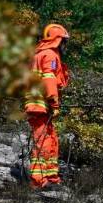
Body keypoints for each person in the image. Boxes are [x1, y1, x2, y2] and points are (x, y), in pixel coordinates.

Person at [23, 23, 70, 189]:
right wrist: (54, 103)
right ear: (57, 40)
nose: (65, 46)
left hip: (39, 105)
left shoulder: (39, 54)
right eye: (64, 42)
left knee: (50, 139)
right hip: (42, 105)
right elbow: (49, 81)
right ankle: (39, 180)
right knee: (43, 141)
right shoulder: (50, 55)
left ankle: (51, 177)